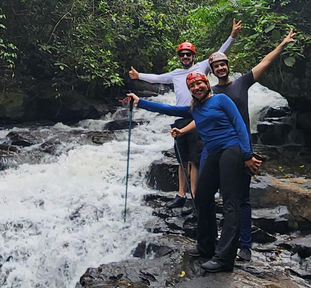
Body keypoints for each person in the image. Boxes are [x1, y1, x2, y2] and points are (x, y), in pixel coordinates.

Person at [125, 72, 262, 273]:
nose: (196, 87)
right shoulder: (194, 109)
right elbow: (169, 109)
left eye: (199, 83)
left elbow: (240, 125)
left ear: (207, 84)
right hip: (214, 153)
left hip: (232, 150)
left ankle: (225, 258)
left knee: (231, 202)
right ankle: (206, 246)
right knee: (202, 197)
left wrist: (247, 154)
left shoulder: (221, 99)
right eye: (192, 86)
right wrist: (140, 102)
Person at [184, 28, 297, 262]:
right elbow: (200, 118)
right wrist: (182, 130)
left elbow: (265, 62)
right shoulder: (209, 93)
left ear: (227, 66)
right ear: (212, 72)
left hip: (239, 148)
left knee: (239, 198)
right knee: (208, 195)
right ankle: (212, 243)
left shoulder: (241, 84)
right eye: (216, 67)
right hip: (215, 149)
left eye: (223, 65)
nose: (220, 69)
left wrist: (283, 44)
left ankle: (244, 246)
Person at [128, 20, 243, 214]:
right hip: (180, 116)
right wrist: (139, 76)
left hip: (197, 114)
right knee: (182, 159)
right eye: (182, 54)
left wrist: (232, 36)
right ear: (179, 57)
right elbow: (157, 78)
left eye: (188, 54)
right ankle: (181, 194)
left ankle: (194, 196)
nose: (186, 57)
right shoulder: (175, 74)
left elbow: (219, 53)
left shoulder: (202, 67)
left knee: (195, 159)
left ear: (193, 56)